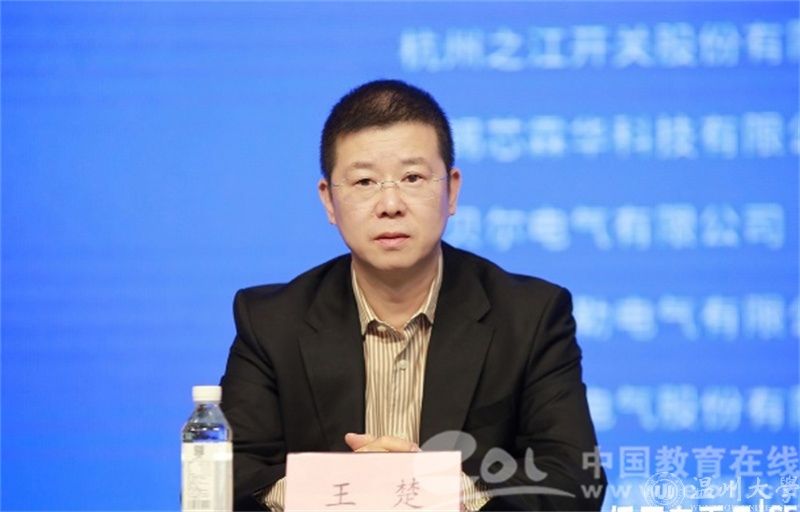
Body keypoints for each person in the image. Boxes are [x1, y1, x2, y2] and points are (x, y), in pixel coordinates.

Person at [220, 79, 606, 511]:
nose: (390, 204)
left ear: (451, 190)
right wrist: (345, 489)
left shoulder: (530, 316)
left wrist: (438, 489)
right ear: (328, 201)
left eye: (412, 177)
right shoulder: (272, 322)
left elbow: (576, 481)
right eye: (364, 181)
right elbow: (223, 478)